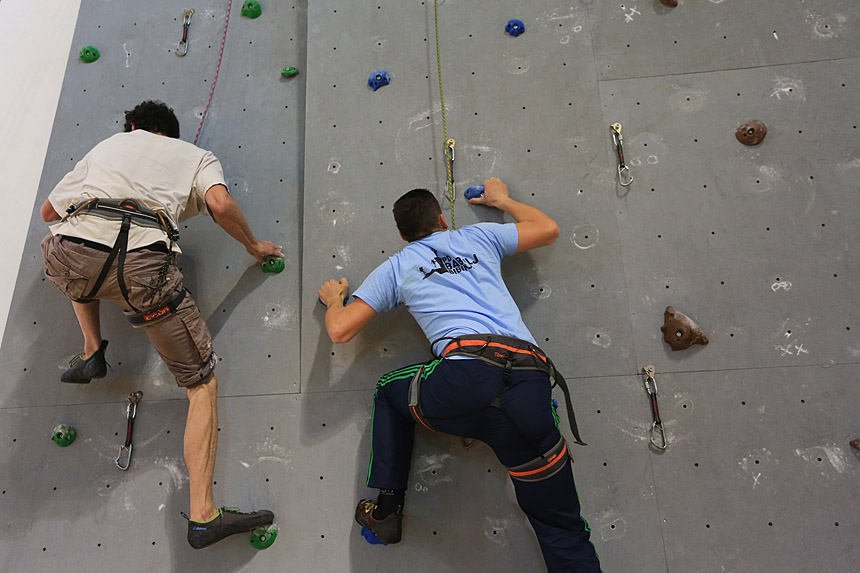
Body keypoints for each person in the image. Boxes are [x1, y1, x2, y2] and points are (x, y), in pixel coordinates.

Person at [318, 178, 601, 572]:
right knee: (563, 530)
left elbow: (340, 329)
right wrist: (503, 200)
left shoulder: (398, 266)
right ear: (441, 219)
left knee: (389, 392)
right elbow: (548, 229)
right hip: (529, 383)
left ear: (402, 234)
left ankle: (385, 512)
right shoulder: (479, 237)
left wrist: (334, 300)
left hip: (463, 382)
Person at [40, 100, 280, 549]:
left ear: (131, 126)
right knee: (200, 384)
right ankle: (204, 515)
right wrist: (252, 244)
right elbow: (219, 202)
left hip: (71, 258)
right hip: (142, 272)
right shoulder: (196, 157)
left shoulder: (110, 144)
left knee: (79, 267)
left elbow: (50, 214)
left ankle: (92, 351)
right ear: (172, 134)